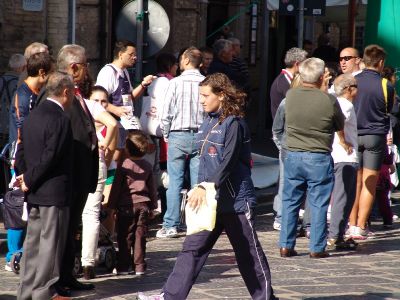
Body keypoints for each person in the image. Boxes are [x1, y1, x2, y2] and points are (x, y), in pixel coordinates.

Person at [139, 73, 277, 300]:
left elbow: (229, 160)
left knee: (248, 254)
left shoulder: (234, 122)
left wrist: (207, 185)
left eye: (205, 95)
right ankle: (170, 296)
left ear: (221, 95)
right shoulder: (207, 121)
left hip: (235, 201)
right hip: (209, 202)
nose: (201, 100)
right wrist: (198, 188)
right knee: (191, 250)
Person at [15, 71, 75, 300]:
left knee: (32, 246)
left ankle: (27, 290)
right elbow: (52, 156)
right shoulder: (60, 119)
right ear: (66, 92)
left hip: (35, 191)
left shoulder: (33, 115)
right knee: (50, 245)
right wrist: (29, 179)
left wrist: (25, 176)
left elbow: (20, 148)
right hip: (53, 191)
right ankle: (43, 292)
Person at [279, 58, 344, 259]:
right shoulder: (329, 99)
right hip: (318, 155)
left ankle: (285, 245)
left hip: (293, 154)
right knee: (318, 203)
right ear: (320, 77)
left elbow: (281, 123)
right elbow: (339, 124)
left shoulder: (289, 96)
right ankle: (316, 247)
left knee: (290, 201)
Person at [53, 44, 99, 295]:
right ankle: (57, 280)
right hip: (71, 174)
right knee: (63, 231)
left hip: (82, 173)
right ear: (73, 67)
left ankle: (68, 275)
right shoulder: (62, 93)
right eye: (85, 64)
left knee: (72, 230)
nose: (88, 69)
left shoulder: (77, 92)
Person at [5, 52, 53, 272]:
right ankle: (12, 254)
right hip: (22, 155)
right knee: (17, 203)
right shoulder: (23, 95)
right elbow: (23, 130)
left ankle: (25, 250)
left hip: (31, 153)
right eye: (48, 73)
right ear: (41, 72)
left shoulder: (36, 92)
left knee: (27, 203)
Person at [157, 47, 205, 238]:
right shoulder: (205, 82)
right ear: (199, 63)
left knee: (174, 182)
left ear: (185, 61)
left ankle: (171, 224)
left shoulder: (175, 83)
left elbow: (166, 112)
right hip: (201, 134)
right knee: (198, 184)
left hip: (178, 134)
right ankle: (196, 224)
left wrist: (167, 134)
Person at [349, 44, 394, 239]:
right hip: (375, 136)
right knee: (370, 182)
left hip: (353, 135)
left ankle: (351, 225)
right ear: (381, 62)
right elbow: (389, 110)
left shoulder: (352, 81)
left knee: (354, 182)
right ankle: (361, 226)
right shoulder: (386, 85)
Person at [81, 86, 118, 280]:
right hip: (94, 167)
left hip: (103, 169)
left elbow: (111, 155)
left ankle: (89, 262)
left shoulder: (107, 127)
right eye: (97, 101)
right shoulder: (85, 117)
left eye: (104, 102)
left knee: (94, 213)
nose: (100, 105)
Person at [108, 131, 158, 275]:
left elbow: (116, 188)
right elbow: (152, 188)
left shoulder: (123, 166)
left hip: (126, 206)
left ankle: (124, 266)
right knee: (140, 236)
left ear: (127, 149)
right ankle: (139, 266)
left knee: (125, 237)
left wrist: (111, 207)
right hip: (143, 205)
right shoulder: (147, 166)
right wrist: (153, 206)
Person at [96, 39, 155, 157]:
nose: (135, 58)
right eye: (131, 54)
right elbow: (97, 100)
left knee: (123, 158)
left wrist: (143, 85)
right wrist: (116, 110)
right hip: (112, 126)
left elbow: (130, 97)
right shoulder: (108, 72)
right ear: (120, 54)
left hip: (125, 125)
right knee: (114, 159)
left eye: (135, 55)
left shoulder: (125, 72)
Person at [327, 74, 359, 250]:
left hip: (339, 157)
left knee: (344, 197)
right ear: (349, 89)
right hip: (344, 157)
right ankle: (335, 236)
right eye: (356, 86)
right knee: (343, 197)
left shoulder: (337, 103)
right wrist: (343, 140)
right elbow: (339, 122)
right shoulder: (345, 105)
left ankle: (337, 234)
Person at [270, 47, 307, 119]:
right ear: (297, 64)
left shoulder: (287, 79)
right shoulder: (283, 82)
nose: (306, 67)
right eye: (304, 64)